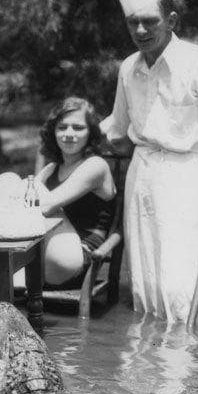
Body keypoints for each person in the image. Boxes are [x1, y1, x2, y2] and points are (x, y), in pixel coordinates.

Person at [100, 0, 198, 329]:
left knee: (180, 281)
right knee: (144, 278)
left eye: (150, 21)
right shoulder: (128, 68)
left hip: (186, 174)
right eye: (133, 23)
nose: (141, 30)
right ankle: (146, 356)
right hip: (141, 173)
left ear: (172, 20)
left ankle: (187, 353)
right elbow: (118, 131)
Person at [35, 97, 117, 287]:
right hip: (46, 252)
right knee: (8, 180)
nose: (69, 134)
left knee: (27, 189)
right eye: (62, 127)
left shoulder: (96, 165)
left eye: (78, 128)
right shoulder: (51, 169)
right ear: (53, 132)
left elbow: (45, 206)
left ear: (91, 132)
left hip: (76, 258)